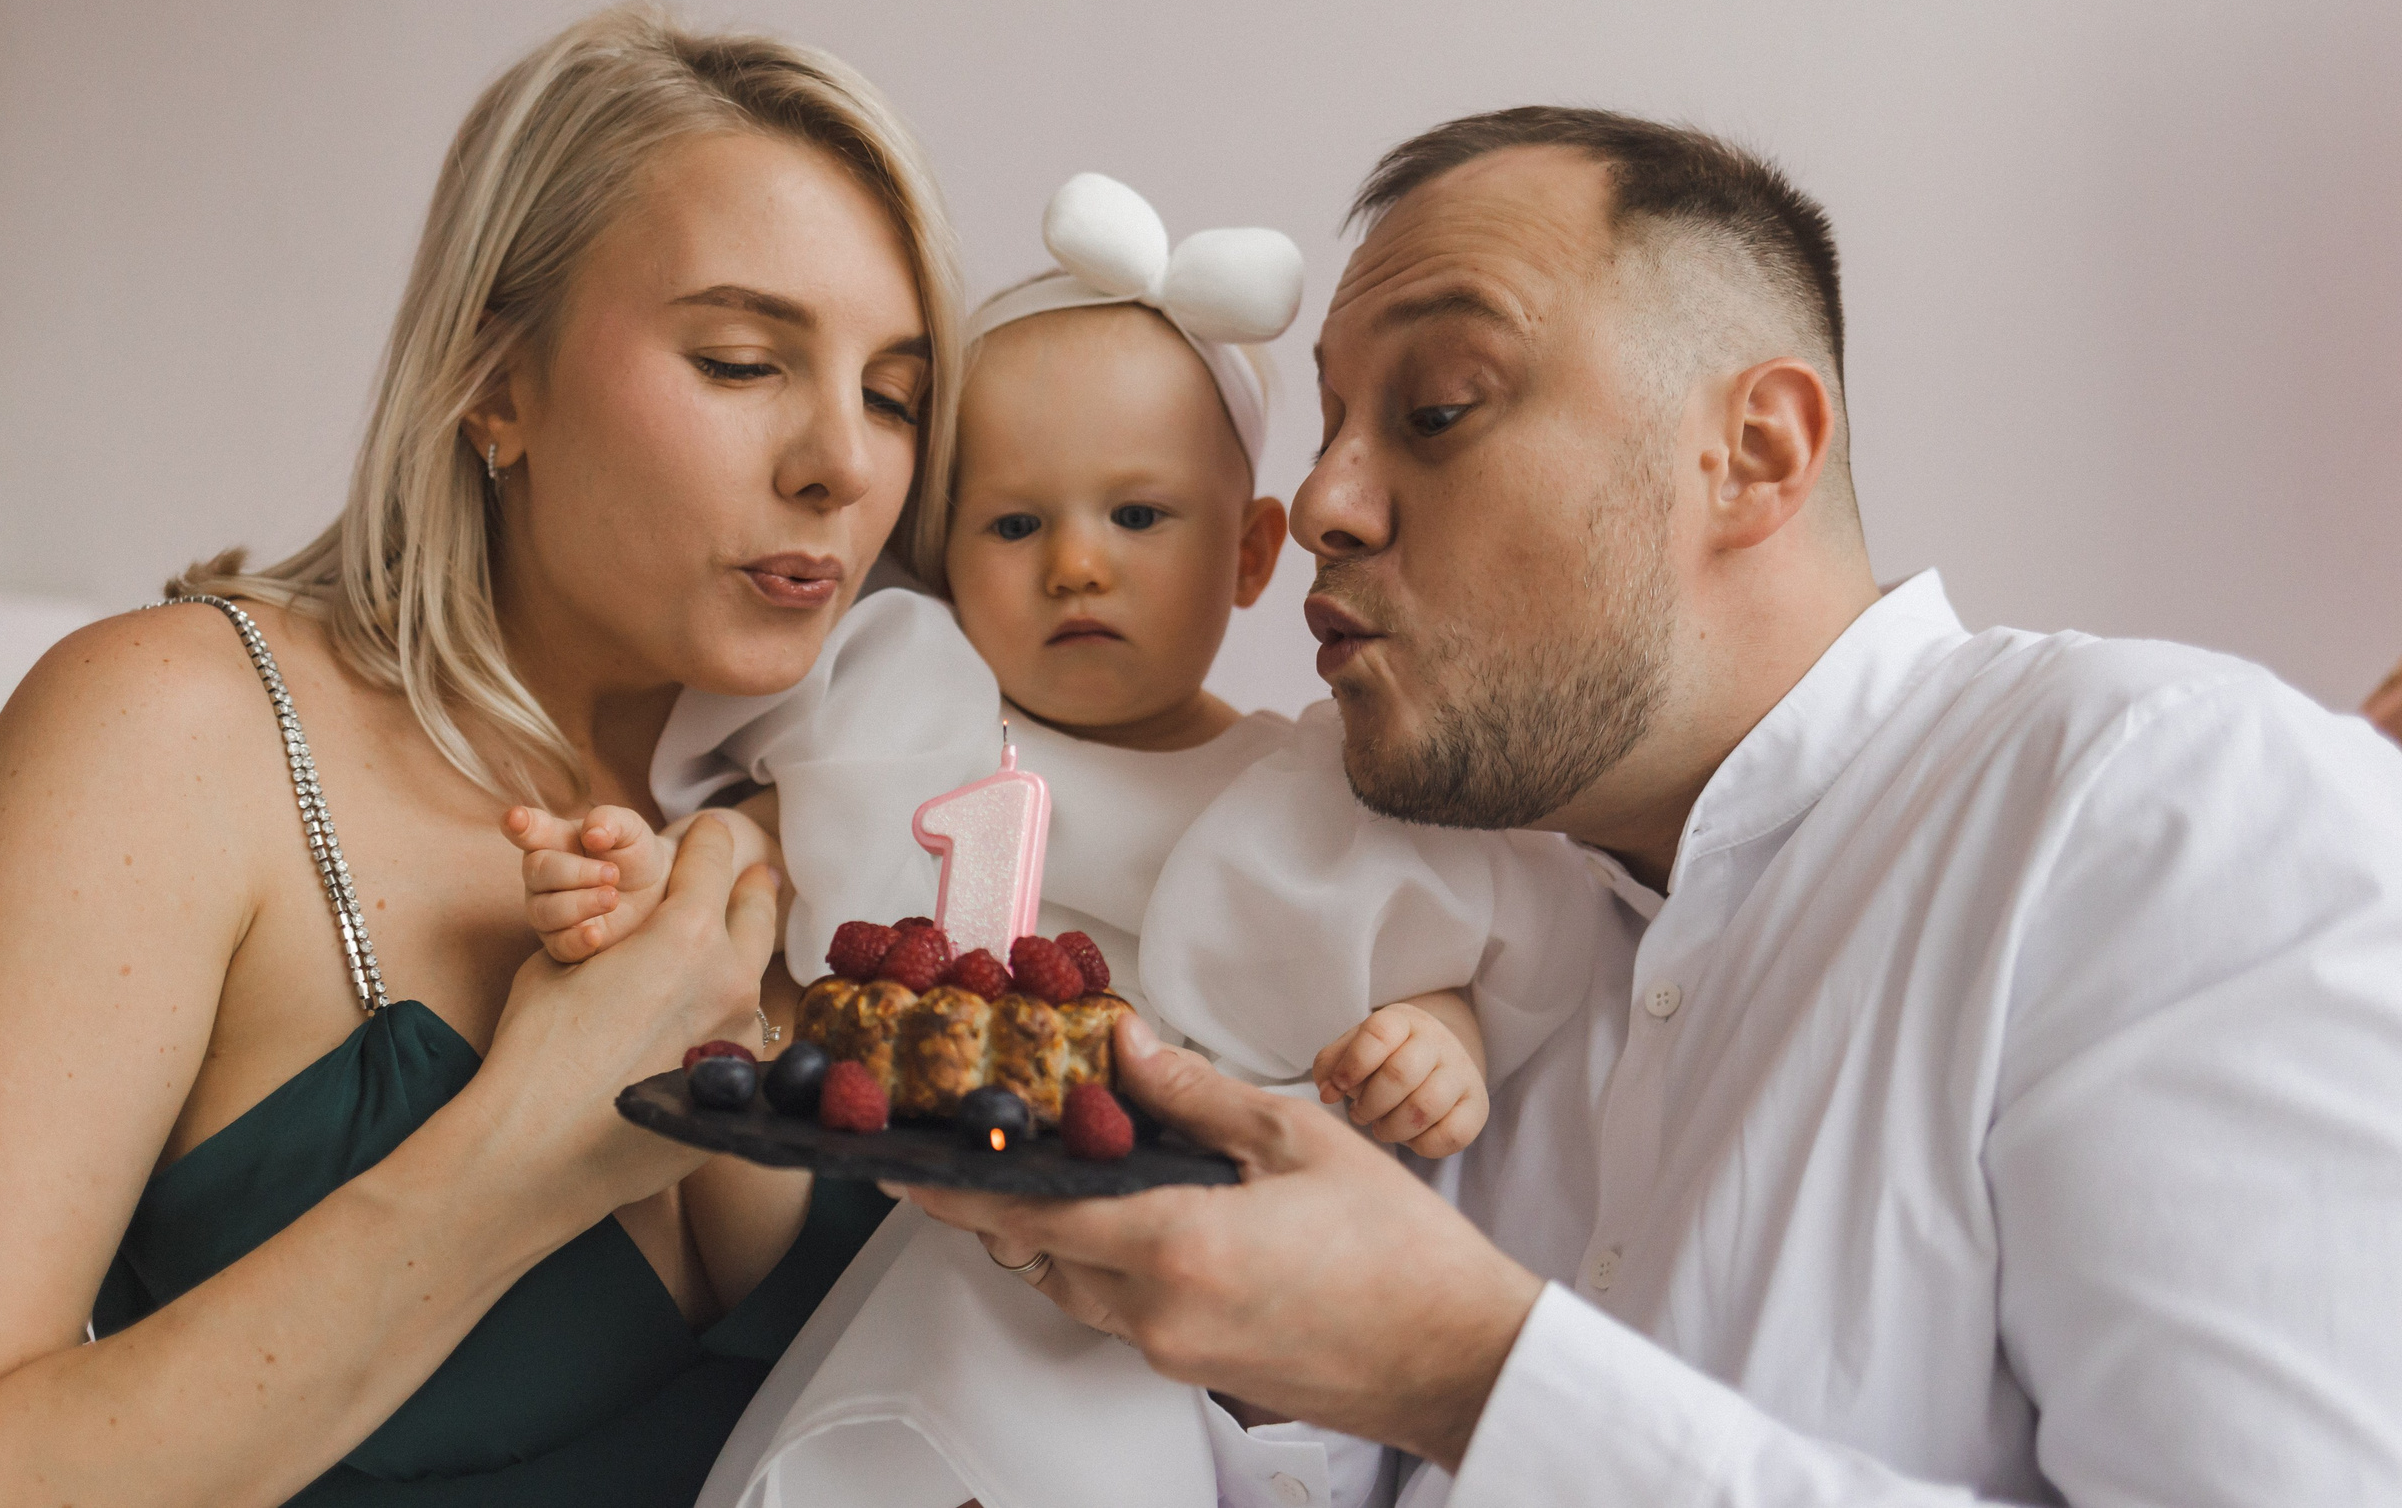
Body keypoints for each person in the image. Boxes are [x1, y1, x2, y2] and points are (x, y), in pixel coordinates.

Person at [910, 109, 2402, 1506]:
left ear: (1753, 454)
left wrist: (1469, 1373)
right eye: (1329, 427)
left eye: (1436, 410)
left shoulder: (2171, 807)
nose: (1321, 507)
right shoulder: (1455, 940)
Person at [0, 3, 967, 1506]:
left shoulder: (869, 816)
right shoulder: (178, 736)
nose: (844, 460)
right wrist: (518, 1153)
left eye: (894, 395)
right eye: (743, 361)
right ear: (496, 381)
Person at [507, 173, 1523, 1508]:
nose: (1079, 566)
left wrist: (1435, 1044)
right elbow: (763, 848)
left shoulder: (1306, 793)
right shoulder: (922, 712)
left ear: (1252, 551)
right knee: (957, 1391)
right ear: (940, 549)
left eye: (1139, 516)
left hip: (1217, 1297)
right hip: (967, 1255)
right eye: (1015, 523)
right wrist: (649, 871)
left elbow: (1412, 958)